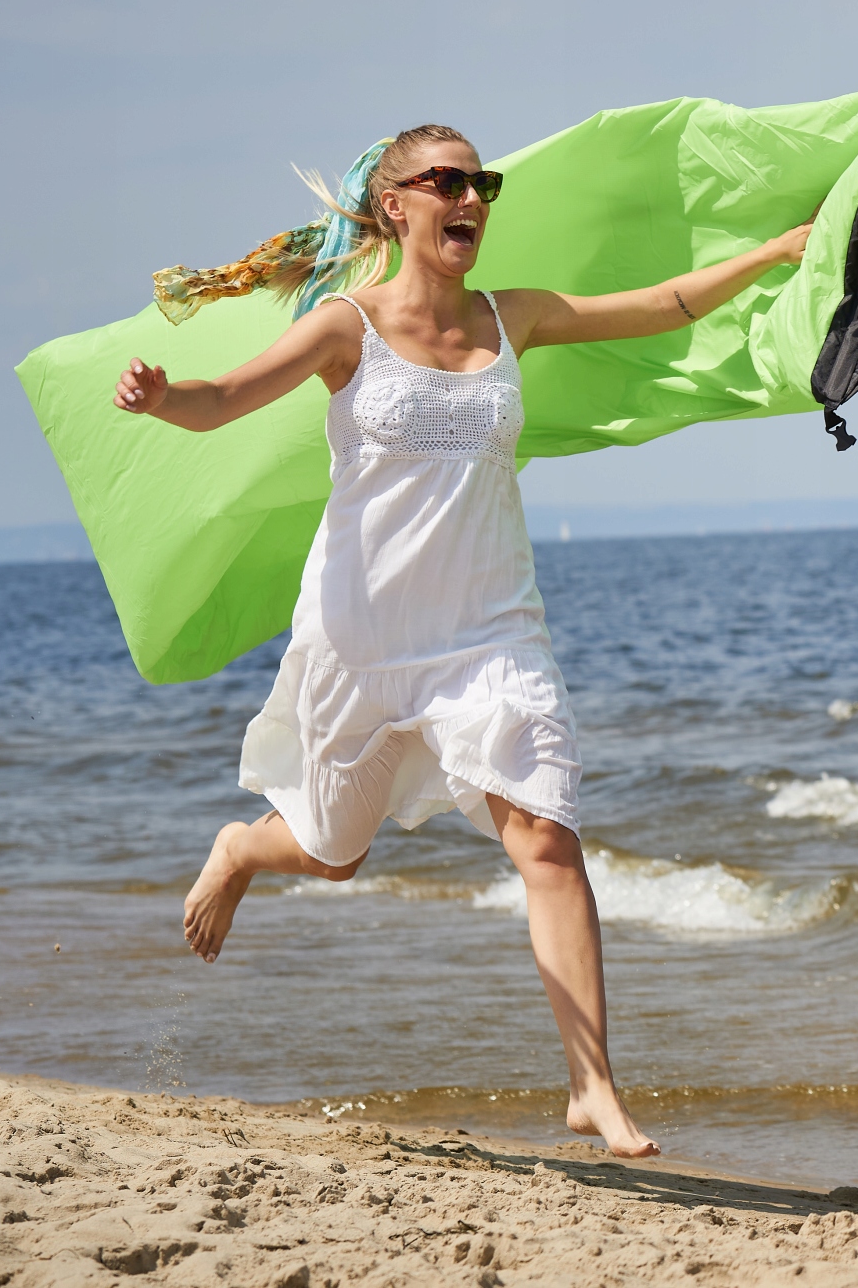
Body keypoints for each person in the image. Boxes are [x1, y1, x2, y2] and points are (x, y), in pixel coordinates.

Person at [112, 124, 815, 1159]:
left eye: (480, 181)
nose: (471, 195)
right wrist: (165, 396)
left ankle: (593, 1086)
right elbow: (224, 399)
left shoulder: (510, 316)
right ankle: (239, 845)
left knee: (547, 838)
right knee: (331, 850)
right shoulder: (345, 327)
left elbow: (658, 306)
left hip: (489, 632)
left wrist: (773, 252)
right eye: (447, 180)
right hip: (365, 637)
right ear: (396, 204)